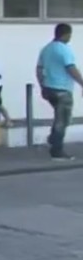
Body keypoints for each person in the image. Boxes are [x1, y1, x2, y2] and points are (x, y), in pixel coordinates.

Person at [36, 23, 83, 160]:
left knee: (60, 117)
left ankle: (52, 138)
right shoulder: (64, 50)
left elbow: (39, 70)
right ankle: (56, 151)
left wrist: (42, 86)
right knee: (63, 120)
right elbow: (71, 68)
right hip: (62, 89)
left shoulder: (46, 49)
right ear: (66, 34)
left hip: (49, 89)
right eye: (70, 35)